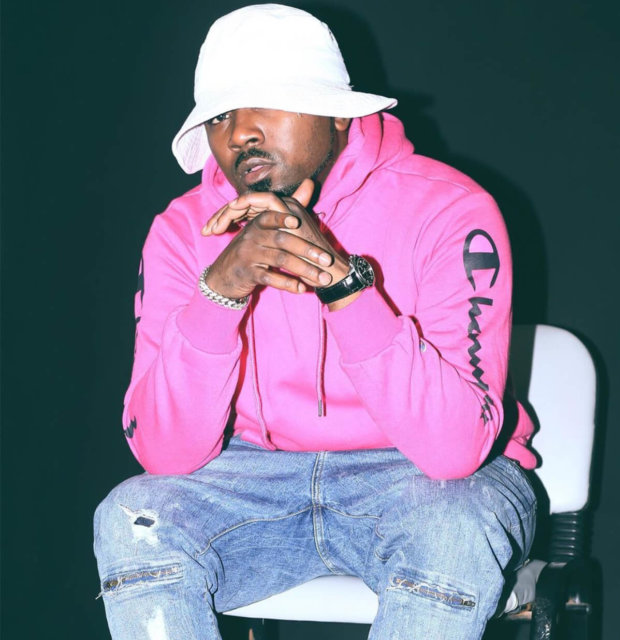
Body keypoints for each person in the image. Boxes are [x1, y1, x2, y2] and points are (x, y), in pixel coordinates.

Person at [93, 4, 537, 639]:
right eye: (219, 116)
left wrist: (341, 281)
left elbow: (453, 452)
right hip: (252, 476)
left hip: (422, 480)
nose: (239, 133)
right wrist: (221, 290)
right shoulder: (183, 230)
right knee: (134, 518)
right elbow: (164, 455)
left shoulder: (451, 209)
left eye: (266, 102)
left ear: (337, 113)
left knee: (452, 530)